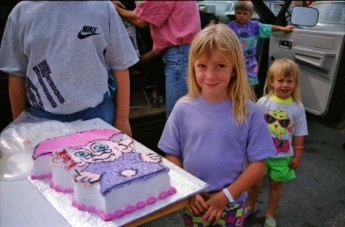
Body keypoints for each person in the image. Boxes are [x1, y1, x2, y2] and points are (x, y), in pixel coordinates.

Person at [158, 24, 276, 227]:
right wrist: (188, 190)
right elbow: (171, 156)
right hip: (194, 201)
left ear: (234, 69)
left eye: (220, 66)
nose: (210, 76)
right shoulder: (182, 108)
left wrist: (226, 196)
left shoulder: (250, 111)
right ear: (192, 66)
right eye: (202, 66)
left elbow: (258, 165)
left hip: (232, 201)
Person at [0, 1, 139, 136]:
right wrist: (19, 126)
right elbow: (16, 74)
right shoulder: (21, 13)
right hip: (42, 120)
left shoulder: (103, 7)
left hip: (98, 114)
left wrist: (122, 119)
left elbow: (120, 65)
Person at [245, 59, 308, 227]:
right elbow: (252, 129)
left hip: (283, 156)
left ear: (295, 83)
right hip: (260, 154)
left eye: (289, 81)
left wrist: (298, 155)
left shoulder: (297, 107)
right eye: (280, 80)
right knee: (254, 184)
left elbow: (300, 133)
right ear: (271, 81)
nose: (285, 85)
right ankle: (249, 206)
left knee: (276, 185)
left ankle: (270, 213)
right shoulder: (262, 103)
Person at [113, 0, 201, 118]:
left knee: (176, 117)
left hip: (179, 57)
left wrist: (116, 8)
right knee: (186, 114)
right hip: (187, 53)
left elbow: (140, 20)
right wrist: (141, 60)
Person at [228, 1, 295, 92]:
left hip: (250, 61)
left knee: (251, 83)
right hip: (235, 60)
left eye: (245, 13)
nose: (241, 15)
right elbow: (223, 36)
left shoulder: (254, 26)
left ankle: (250, 97)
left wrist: (283, 28)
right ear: (235, 13)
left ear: (250, 15)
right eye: (239, 13)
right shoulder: (231, 26)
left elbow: (268, 27)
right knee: (235, 82)